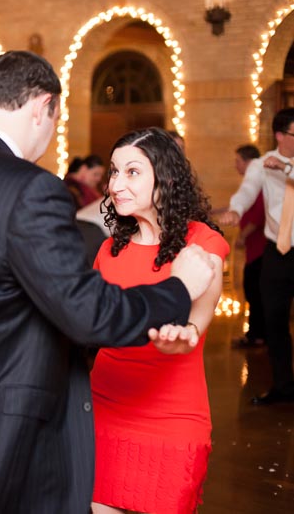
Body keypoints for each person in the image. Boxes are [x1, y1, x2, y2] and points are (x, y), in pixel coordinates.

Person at [0, 51, 216, 514]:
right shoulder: (30, 188)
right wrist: (179, 287)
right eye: (54, 120)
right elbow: (90, 316)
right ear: (42, 107)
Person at [90, 127, 228, 514]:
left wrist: (190, 331)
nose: (116, 183)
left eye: (132, 172)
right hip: (106, 406)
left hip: (173, 415)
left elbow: (204, 305)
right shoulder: (107, 250)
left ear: (164, 177)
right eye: (114, 172)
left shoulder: (202, 242)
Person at [221, 107, 294, 404]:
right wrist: (235, 210)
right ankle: (284, 387)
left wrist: (287, 169)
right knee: (274, 320)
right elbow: (247, 191)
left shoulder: (283, 165)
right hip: (277, 251)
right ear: (280, 135)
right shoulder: (261, 164)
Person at [232, 144, 267, 348]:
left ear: (249, 162)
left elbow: (258, 215)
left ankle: (257, 336)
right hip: (255, 248)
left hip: (260, 248)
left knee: (255, 292)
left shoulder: (258, 183)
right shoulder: (250, 184)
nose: (236, 165)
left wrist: (242, 236)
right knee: (253, 290)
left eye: (238, 161)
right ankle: (256, 334)